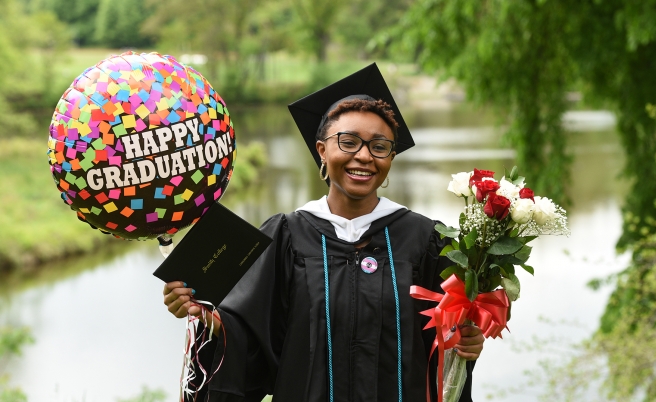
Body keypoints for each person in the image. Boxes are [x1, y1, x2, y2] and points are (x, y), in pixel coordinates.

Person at [162, 64, 485, 402]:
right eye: (348, 142)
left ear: (391, 157)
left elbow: (446, 351)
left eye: (379, 146)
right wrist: (206, 316)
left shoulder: (425, 240)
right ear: (321, 150)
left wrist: (467, 343)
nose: (363, 156)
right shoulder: (286, 237)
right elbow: (250, 337)